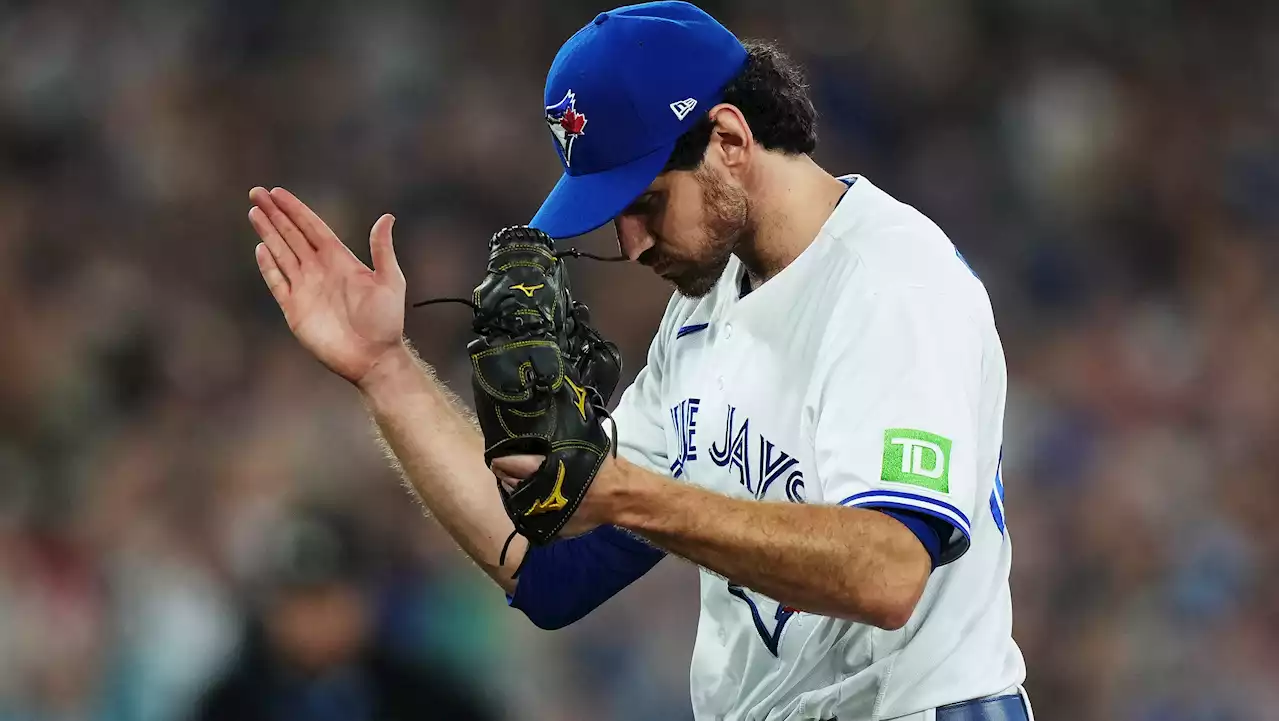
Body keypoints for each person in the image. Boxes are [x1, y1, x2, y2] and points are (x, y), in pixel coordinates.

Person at [245, 2, 1031, 719]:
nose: (631, 243)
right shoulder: (703, 310)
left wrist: (631, 494)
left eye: (646, 202)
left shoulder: (889, 284)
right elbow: (552, 570)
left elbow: (888, 572)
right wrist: (385, 368)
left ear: (729, 140)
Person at [191, 508, 498, 721]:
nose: (312, 620)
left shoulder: (427, 701)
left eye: (326, 599)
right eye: (296, 601)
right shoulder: (229, 708)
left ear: (364, 600)